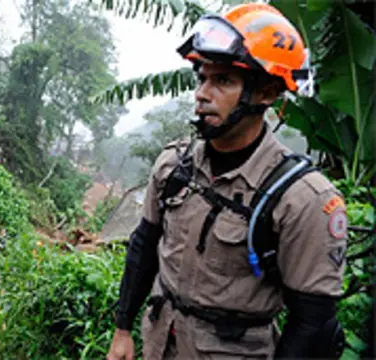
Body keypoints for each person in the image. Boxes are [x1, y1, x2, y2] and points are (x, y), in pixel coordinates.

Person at [107, 3, 347, 360]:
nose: (203, 93)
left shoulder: (302, 199)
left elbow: (312, 323)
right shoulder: (174, 166)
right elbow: (144, 246)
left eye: (223, 81)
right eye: (202, 77)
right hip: (160, 343)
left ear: (266, 93)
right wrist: (122, 329)